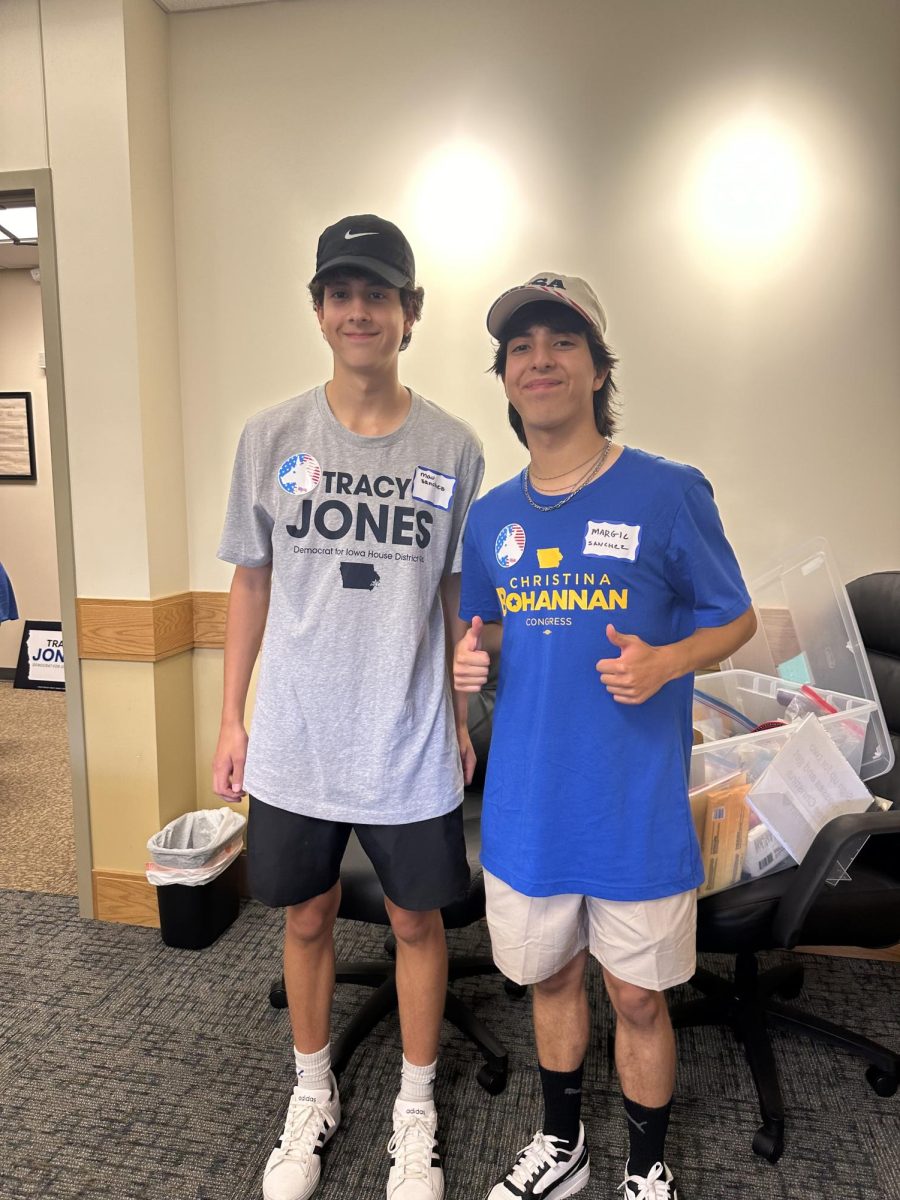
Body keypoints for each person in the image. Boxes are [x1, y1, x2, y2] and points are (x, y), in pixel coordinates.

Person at [454, 273, 756, 1200]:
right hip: (529, 807)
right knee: (549, 980)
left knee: (636, 995)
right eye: (520, 349)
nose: (539, 361)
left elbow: (735, 618)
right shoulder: (491, 518)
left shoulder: (668, 492)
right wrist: (474, 661)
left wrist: (667, 663)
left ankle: (649, 1164)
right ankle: (563, 1144)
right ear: (505, 380)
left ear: (596, 370)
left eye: (562, 343)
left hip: (631, 807)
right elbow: (492, 628)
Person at [214, 214, 484, 1200]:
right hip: (295, 733)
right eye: (340, 292)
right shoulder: (272, 438)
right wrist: (231, 718)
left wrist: (459, 713)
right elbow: (250, 584)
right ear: (320, 310)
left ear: (410, 313)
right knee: (309, 914)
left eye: (378, 293)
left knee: (420, 923)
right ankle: (313, 1090)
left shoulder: (453, 446)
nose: (358, 310)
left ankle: (415, 1110)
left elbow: (456, 589)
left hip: (406, 732)